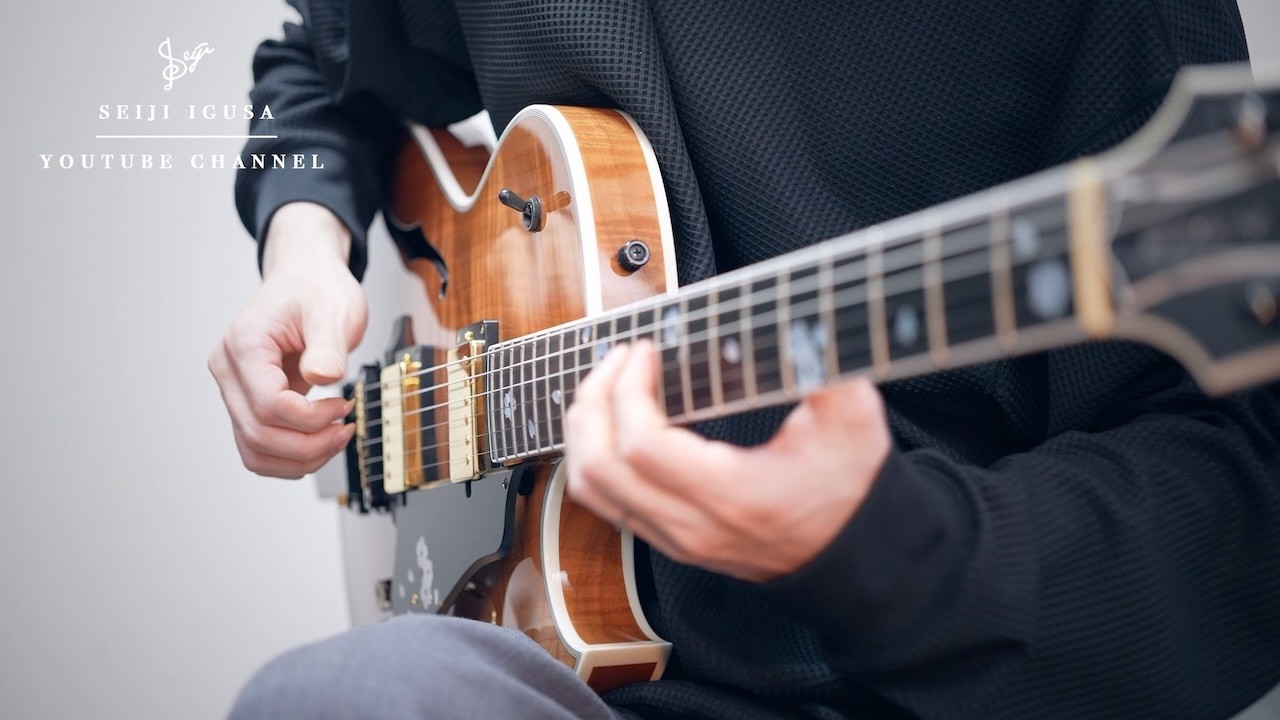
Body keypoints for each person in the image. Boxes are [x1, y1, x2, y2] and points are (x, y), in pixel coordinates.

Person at [208, 1, 1280, 718]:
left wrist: (885, 548)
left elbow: (1242, 495)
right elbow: (322, 57)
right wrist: (303, 237)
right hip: (560, 671)